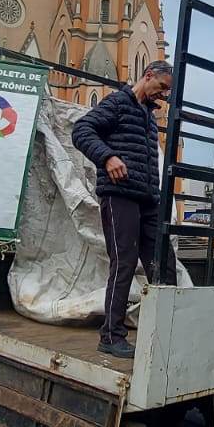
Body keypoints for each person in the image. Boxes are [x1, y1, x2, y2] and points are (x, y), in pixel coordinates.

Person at [72, 61, 177, 359]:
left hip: (147, 199)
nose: (164, 94)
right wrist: (107, 157)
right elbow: (82, 130)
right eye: (162, 87)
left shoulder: (147, 113)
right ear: (147, 76)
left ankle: (166, 331)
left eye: (167, 90)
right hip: (120, 196)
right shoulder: (118, 102)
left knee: (163, 262)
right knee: (124, 262)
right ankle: (111, 335)